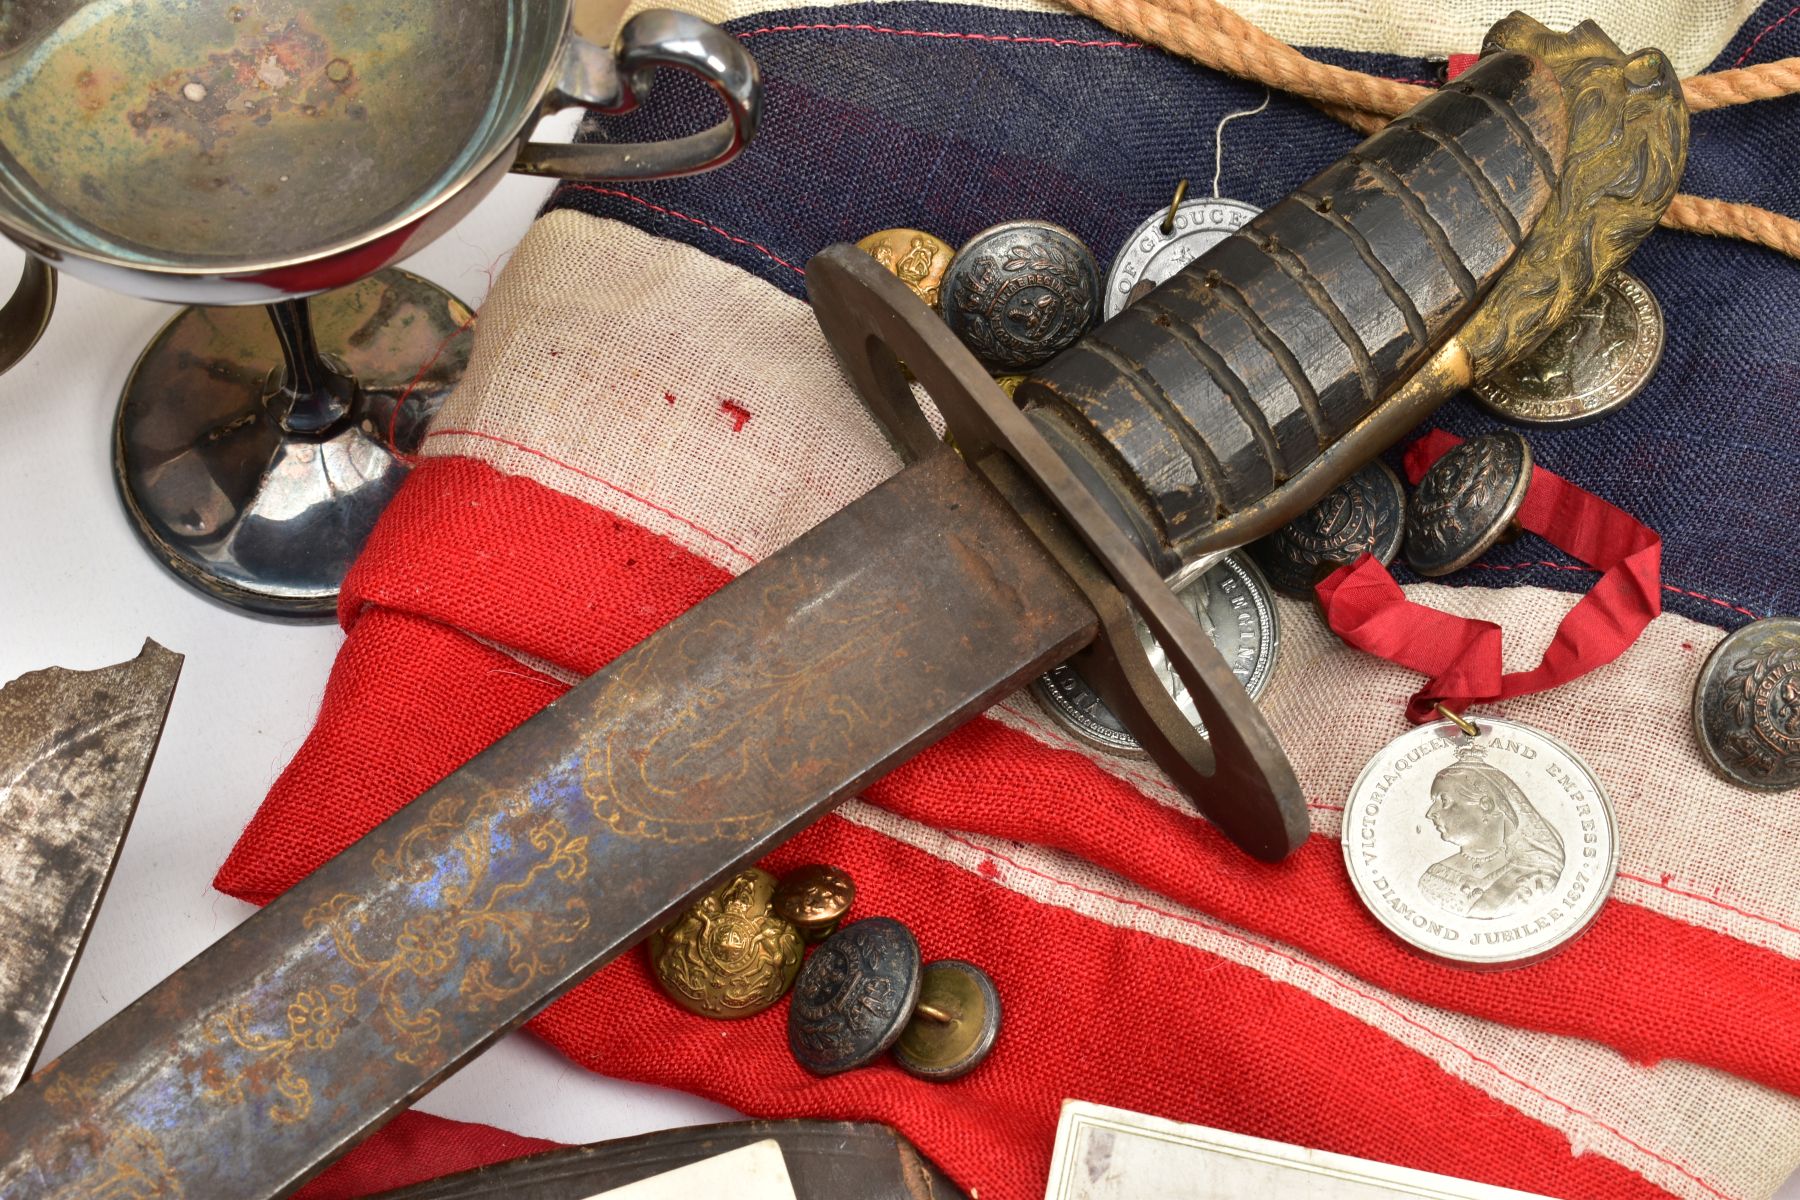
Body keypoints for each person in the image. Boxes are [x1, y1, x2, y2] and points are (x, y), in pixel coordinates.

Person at [1418, 747, 1565, 919]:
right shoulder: (1434, 877)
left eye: (1444, 801)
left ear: (1486, 805)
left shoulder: (1538, 877)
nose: (1430, 813)